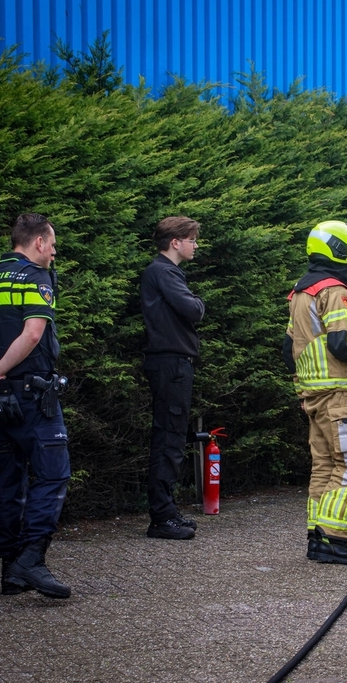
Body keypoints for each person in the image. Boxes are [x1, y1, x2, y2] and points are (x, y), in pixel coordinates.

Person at [0, 212, 72, 599]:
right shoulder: (36, 277)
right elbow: (33, 332)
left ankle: (10, 570)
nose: (54, 252)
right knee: (53, 474)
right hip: (32, 395)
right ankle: (31, 560)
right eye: (52, 244)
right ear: (38, 242)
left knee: (8, 480)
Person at [283, 220, 347, 565]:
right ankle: (335, 540)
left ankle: (318, 535)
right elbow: (342, 343)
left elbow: (288, 350)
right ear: (339, 251)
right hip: (340, 392)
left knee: (324, 464)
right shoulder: (335, 291)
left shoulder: (300, 292)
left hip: (312, 393)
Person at [140, 216, 206, 541]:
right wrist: (199, 303)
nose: (195, 245)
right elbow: (193, 309)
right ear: (175, 242)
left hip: (171, 364)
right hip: (170, 365)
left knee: (172, 436)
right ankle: (162, 517)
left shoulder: (165, 273)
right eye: (192, 239)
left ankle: (167, 511)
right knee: (169, 438)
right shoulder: (163, 272)